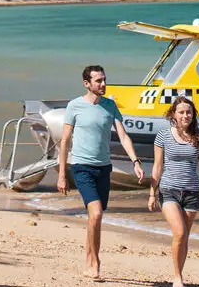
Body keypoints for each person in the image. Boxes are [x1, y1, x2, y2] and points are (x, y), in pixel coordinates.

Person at [57, 64, 145, 280]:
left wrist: (135, 161)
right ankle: (95, 263)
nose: (103, 84)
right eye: (98, 81)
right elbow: (65, 140)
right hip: (81, 167)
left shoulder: (110, 105)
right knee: (95, 214)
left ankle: (89, 259)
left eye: (104, 79)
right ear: (87, 84)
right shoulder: (74, 106)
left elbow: (123, 136)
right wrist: (61, 174)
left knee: (95, 217)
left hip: (104, 168)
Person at [148, 96, 199, 287]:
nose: (185, 115)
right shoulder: (163, 136)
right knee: (179, 232)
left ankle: (179, 274)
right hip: (169, 190)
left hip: (192, 192)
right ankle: (177, 278)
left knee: (184, 236)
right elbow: (157, 166)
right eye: (181, 112)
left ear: (193, 114)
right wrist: (152, 193)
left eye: (189, 112)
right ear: (173, 114)